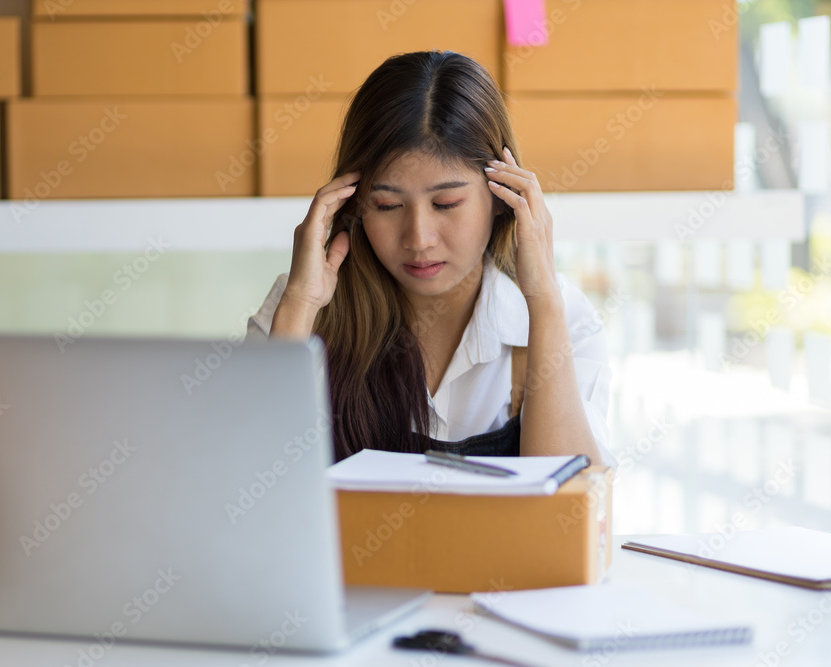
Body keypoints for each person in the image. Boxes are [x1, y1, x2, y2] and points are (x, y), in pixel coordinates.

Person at [246, 50, 615, 468]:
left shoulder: (563, 315)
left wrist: (544, 301)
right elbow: (248, 485)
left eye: (446, 203)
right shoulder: (300, 305)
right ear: (353, 204)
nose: (418, 239)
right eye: (386, 205)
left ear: (502, 197)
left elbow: (571, 511)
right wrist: (299, 306)